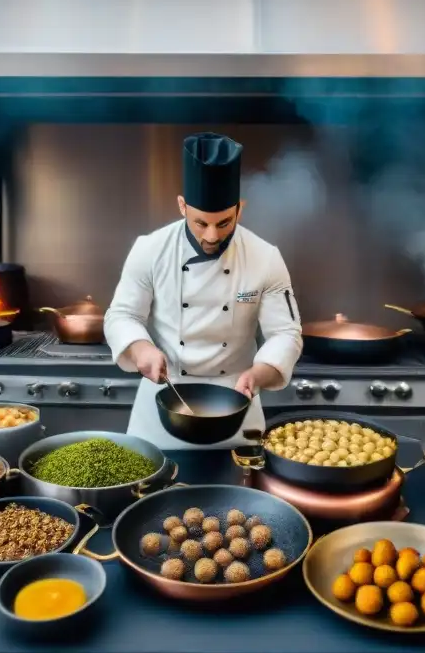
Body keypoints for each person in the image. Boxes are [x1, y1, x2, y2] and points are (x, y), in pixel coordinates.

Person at [104, 132, 303, 447]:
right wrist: (141, 349)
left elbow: (286, 334)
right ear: (182, 206)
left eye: (224, 223)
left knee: (241, 492)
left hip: (236, 403)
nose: (211, 235)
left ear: (240, 208)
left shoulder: (265, 258)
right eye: (200, 223)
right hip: (165, 398)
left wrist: (259, 374)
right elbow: (121, 315)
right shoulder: (150, 249)